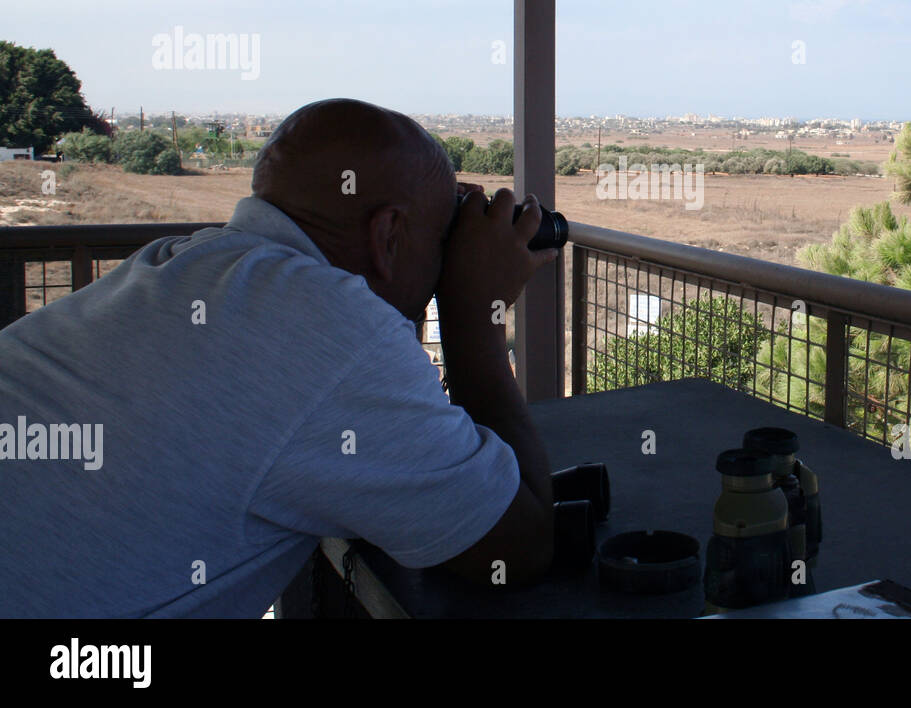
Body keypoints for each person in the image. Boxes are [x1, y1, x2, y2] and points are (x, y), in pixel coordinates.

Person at [0, 98, 557, 617]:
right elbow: (516, 548)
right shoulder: (332, 333)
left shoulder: (178, 261)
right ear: (388, 234)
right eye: (443, 238)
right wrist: (473, 319)